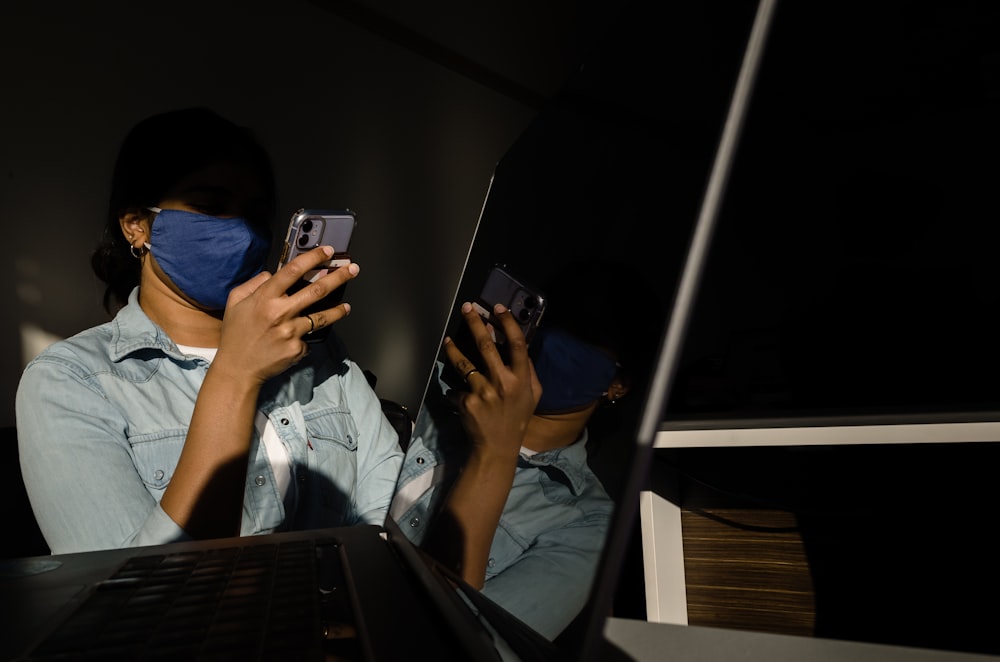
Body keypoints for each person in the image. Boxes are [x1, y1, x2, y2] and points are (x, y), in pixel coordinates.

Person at [15, 107, 403, 555]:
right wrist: (235, 374)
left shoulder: (316, 350)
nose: (239, 231)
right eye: (209, 207)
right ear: (136, 225)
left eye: (255, 214)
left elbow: (387, 521)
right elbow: (126, 598)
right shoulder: (71, 380)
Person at [391, 260, 664, 640]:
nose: (553, 340)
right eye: (554, 316)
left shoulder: (587, 523)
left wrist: (497, 450)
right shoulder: (433, 390)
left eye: (586, 335)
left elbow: (468, 647)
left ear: (618, 384)